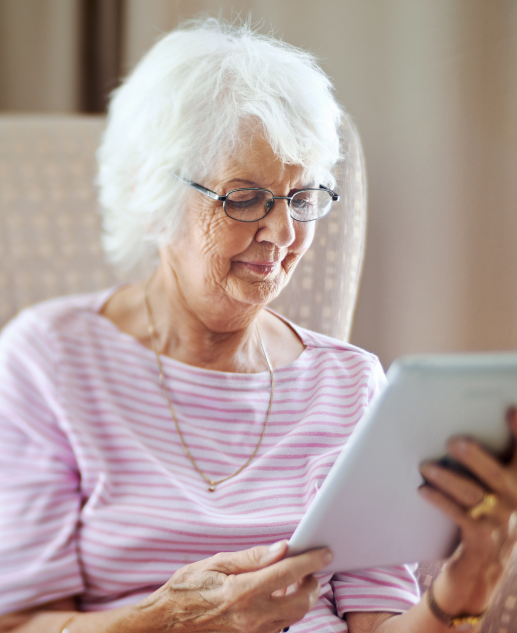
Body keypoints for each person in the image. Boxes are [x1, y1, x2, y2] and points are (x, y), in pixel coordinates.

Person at [0, 18, 516, 633]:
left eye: (301, 199)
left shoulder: (350, 384)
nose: (281, 234)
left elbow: (377, 626)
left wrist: (467, 582)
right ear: (152, 198)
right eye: (244, 198)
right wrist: (168, 618)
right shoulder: (51, 358)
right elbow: (21, 621)